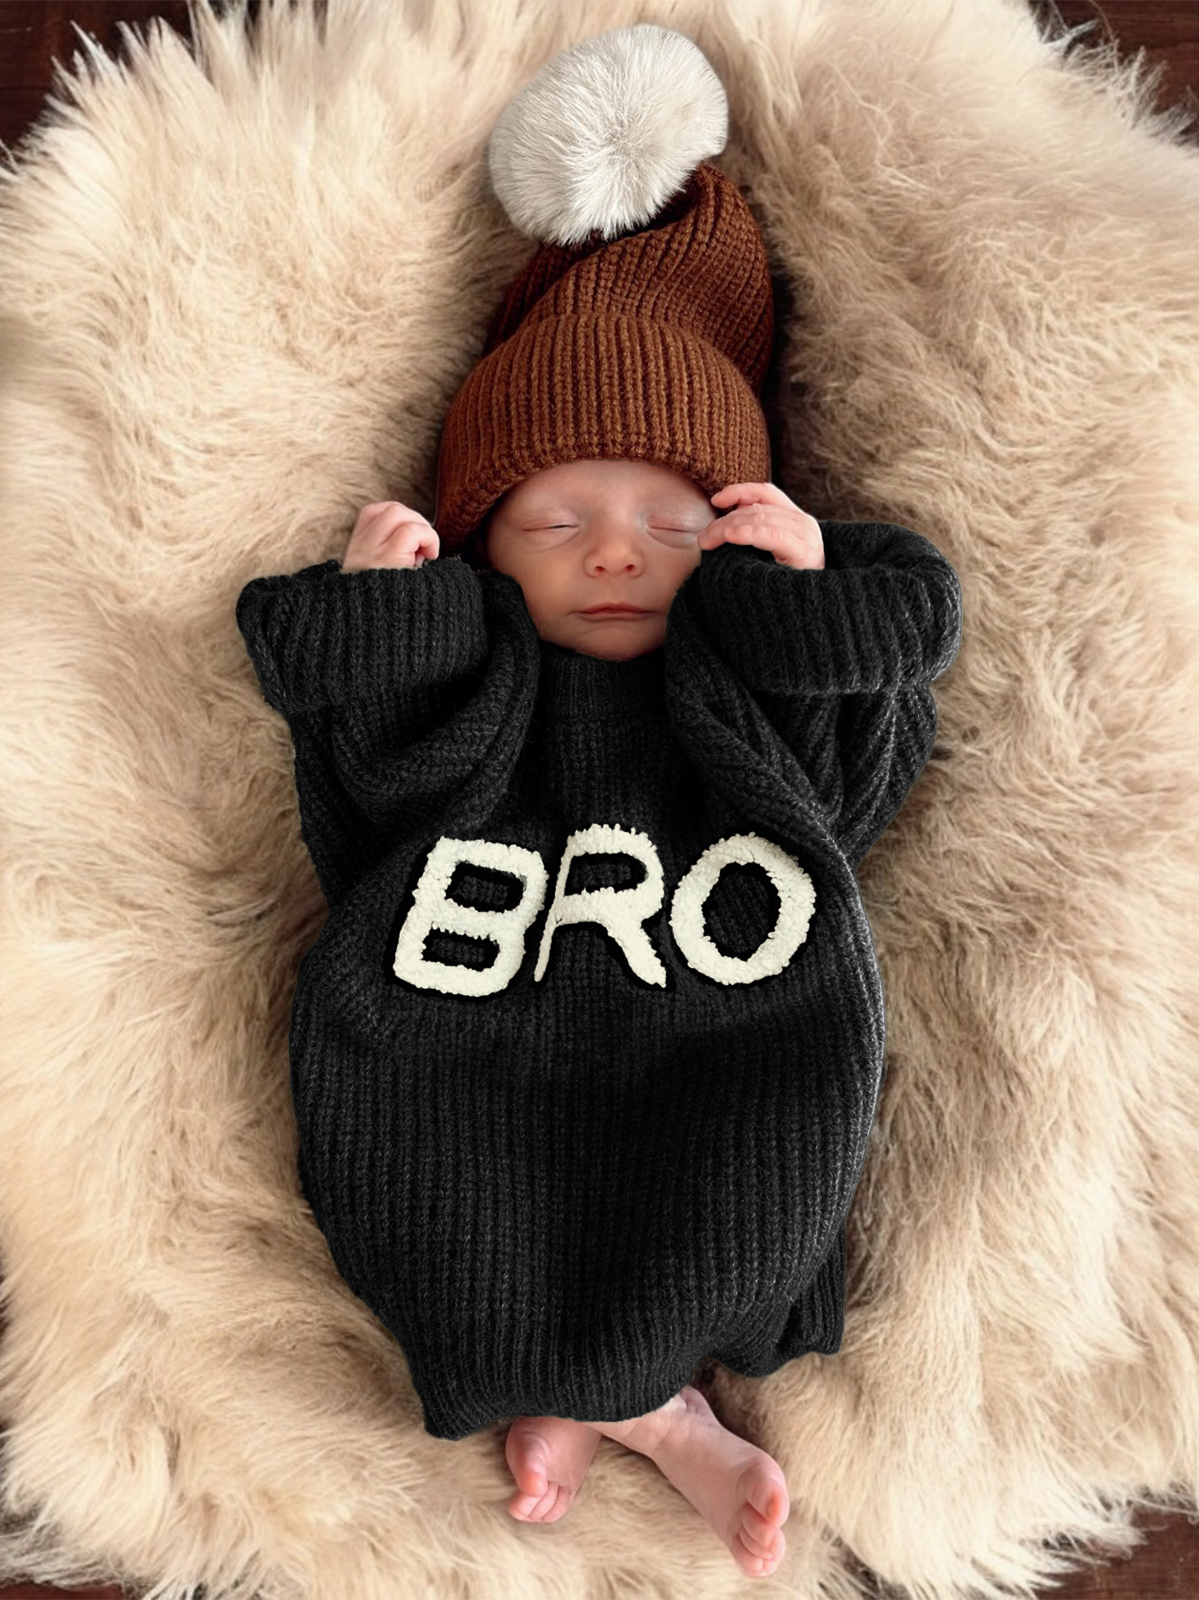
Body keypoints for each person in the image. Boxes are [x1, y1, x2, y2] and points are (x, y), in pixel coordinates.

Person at [235, 26, 963, 1581]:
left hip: (721, 1029)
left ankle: (623, 1409)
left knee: (733, 1207)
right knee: (446, 1225)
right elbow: (369, 802)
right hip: (463, 1028)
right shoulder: (479, 677)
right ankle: (613, 1411)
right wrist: (392, 622)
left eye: (671, 517)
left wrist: (802, 608)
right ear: (485, 539)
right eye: (557, 517)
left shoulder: (733, 685)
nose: (617, 549)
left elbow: (855, 788)